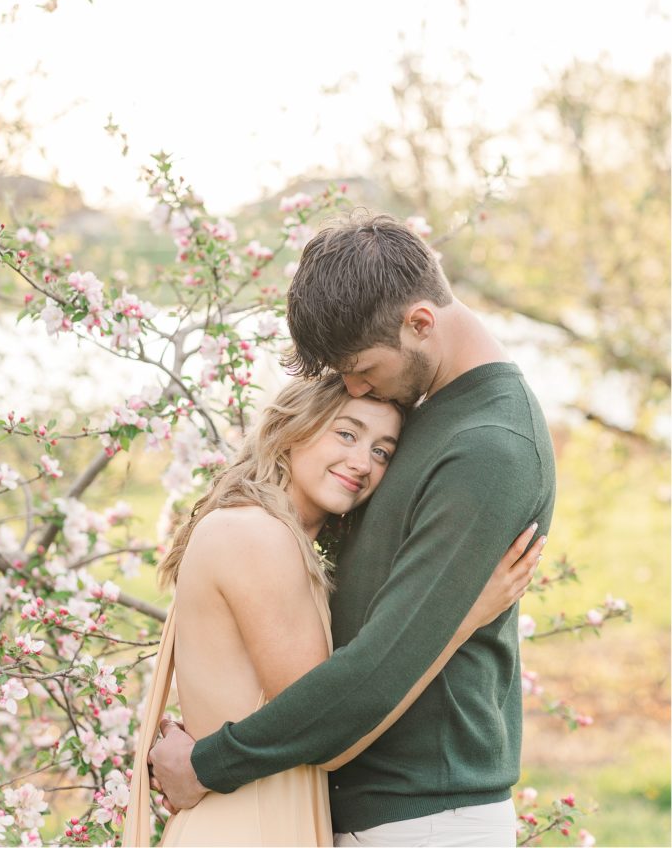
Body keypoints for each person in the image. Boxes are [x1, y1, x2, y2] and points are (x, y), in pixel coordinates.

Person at [147, 212, 556, 848]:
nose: (352, 388)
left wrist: (208, 764)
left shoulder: (488, 448)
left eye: (361, 368)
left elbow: (378, 670)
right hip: (364, 814)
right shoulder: (429, 413)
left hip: (427, 820)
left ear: (420, 323)